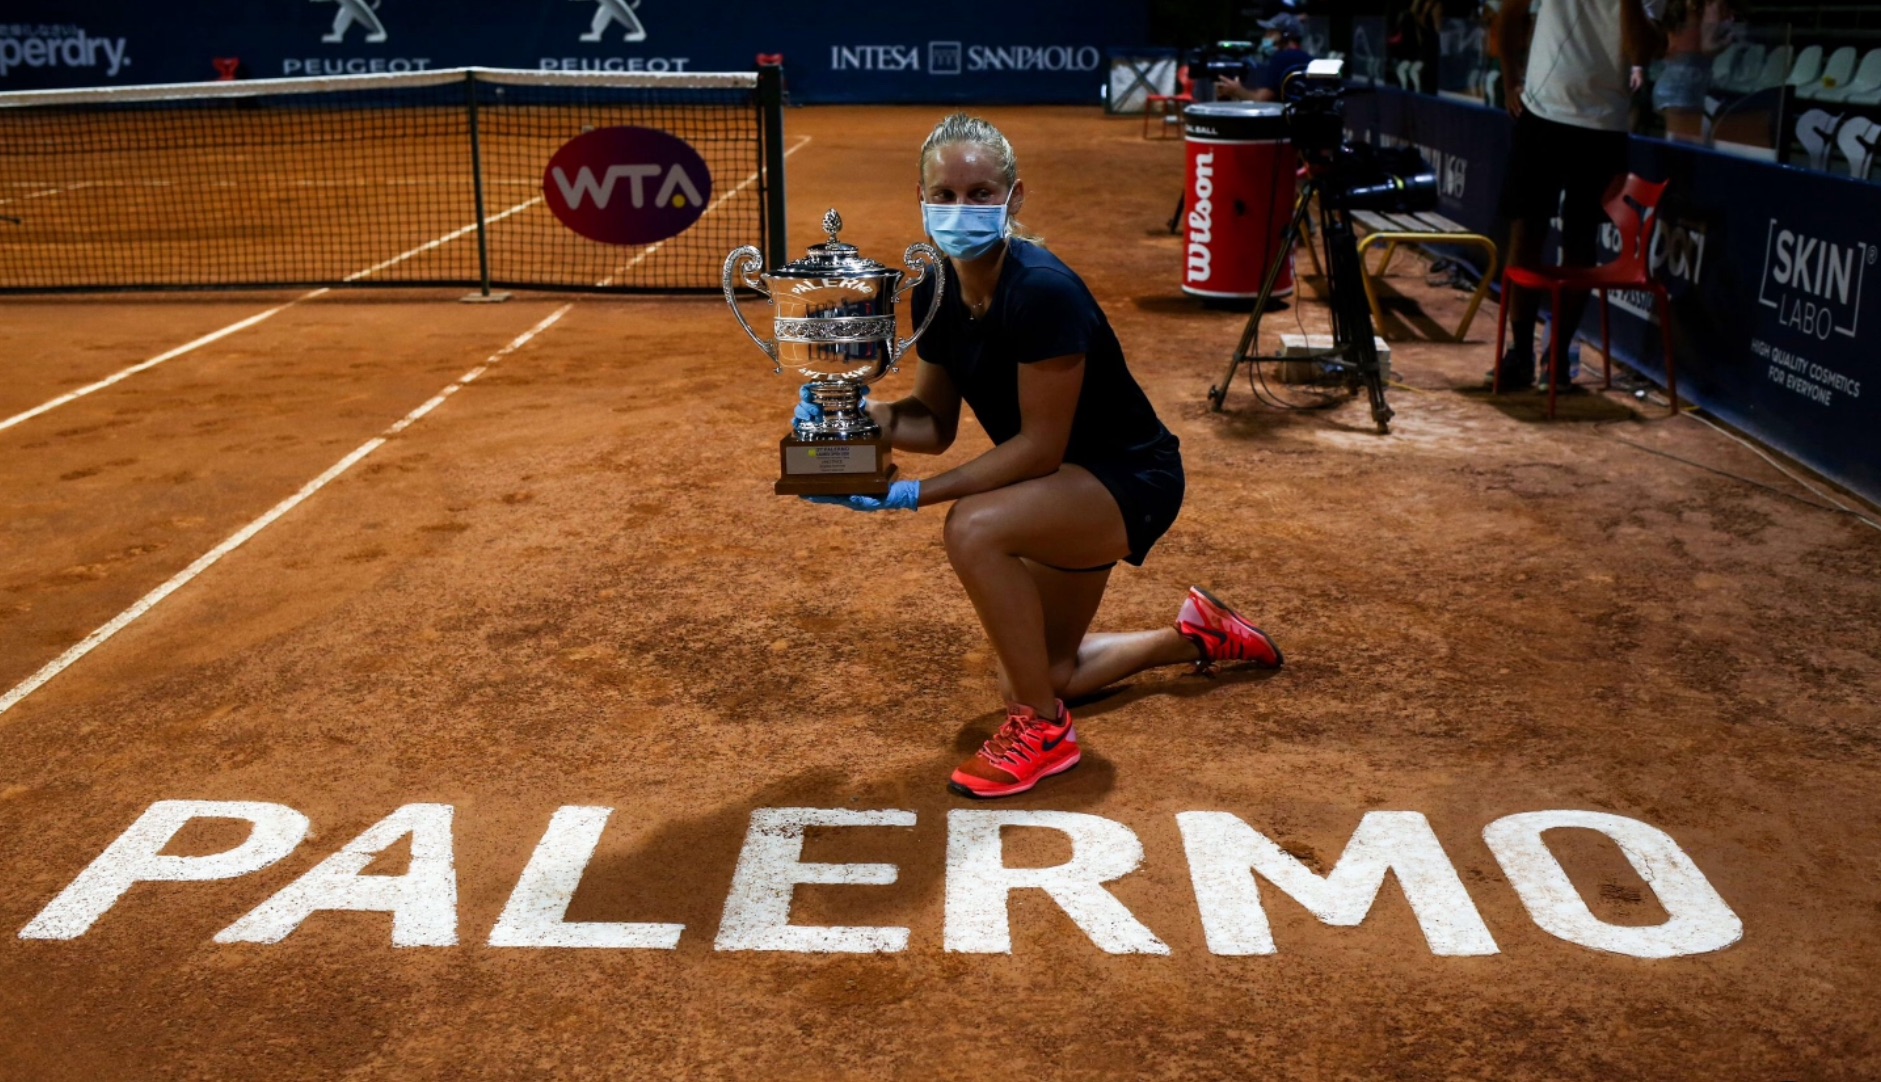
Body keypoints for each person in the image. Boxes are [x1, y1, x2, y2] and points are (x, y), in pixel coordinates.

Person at [801, 114, 1284, 799]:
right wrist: (855, 417)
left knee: (973, 526)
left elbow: (1037, 446)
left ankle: (1042, 732)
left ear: (1015, 197)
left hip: (1126, 479)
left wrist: (912, 495)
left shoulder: (1042, 291)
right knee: (1041, 670)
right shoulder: (935, 290)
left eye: (979, 193)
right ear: (919, 196)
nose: (960, 209)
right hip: (1060, 488)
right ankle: (1195, 635)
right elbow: (931, 423)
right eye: (943, 194)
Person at [1493, 0, 1663, 391]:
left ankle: (1558, 358)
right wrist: (1509, 80)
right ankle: (1518, 353)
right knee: (1526, 232)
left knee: (1580, 242)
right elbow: (1511, 14)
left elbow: (1640, 51)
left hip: (1602, 126)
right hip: (1540, 113)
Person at [1650, 0, 1734, 142]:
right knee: (1683, 152)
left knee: (1678, 147)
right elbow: (1708, 47)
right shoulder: (1710, 4)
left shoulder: (1680, 7)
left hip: (1674, 81)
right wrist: (1729, 39)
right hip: (1686, 88)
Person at [1216, 13, 1315, 102]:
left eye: (1271, 33)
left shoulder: (1282, 59)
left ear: (1286, 35)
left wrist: (1236, 90)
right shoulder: (1307, 59)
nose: (1265, 37)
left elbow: (1261, 100)